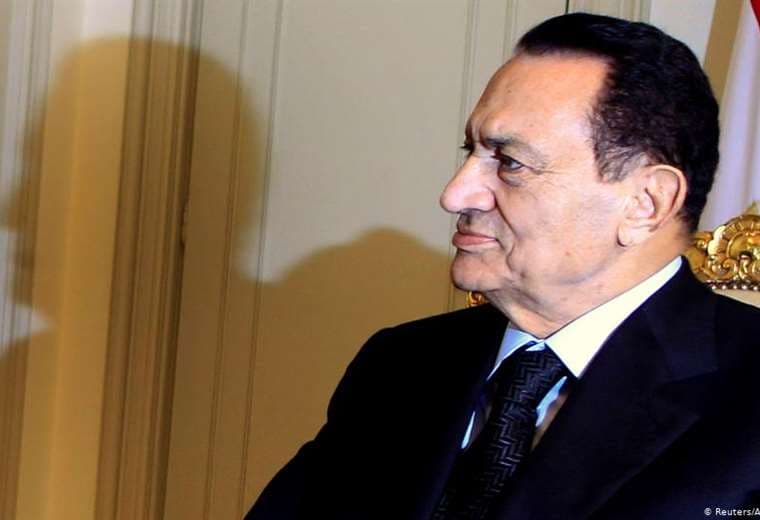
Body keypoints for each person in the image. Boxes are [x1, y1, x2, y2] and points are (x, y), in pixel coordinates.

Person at [246, 12, 760, 519]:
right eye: (470, 152)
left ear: (646, 203)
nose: (455, 194)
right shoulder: (401, 366)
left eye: (510, 163)